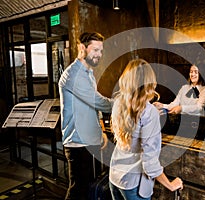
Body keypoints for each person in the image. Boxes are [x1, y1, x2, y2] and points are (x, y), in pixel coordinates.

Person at [109, 58, 183, 200]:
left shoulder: (118, 102)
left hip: (115, 176)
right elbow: (150, 163)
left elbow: (134, 117)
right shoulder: (148, 112)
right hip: (133, 185)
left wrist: (151, 111)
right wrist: (171, 185)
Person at [58, 32, 112, 200]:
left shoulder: (88, 73)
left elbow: (93, 107)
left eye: (101, 51)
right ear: (82, 48)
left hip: (90, 140)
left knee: (89, 189)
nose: (99, 55)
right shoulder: (74, 75)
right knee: (78, 191)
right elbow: (99, 102)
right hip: (78, 144)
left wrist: (101, 130)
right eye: (95, 50)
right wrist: (127, 103)